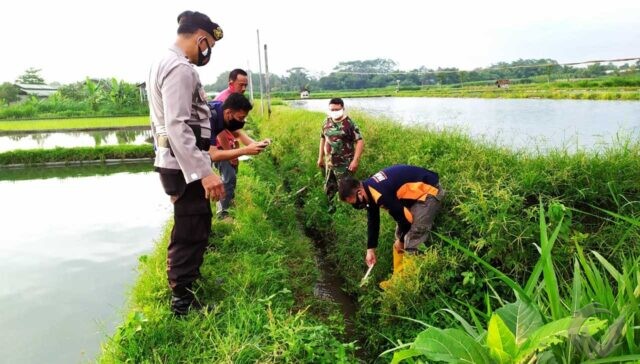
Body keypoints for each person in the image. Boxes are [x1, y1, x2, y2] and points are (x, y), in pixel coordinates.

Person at [148, 10, 225, 315]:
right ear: (201, 38)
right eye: (207, 47)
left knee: (194, 223)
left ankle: (188, 283)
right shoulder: (179, 68)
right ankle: (183, 302)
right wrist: (204, 173)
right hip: (184, 166)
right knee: (190, 229)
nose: (205, 53)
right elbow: (178, 124)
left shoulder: (162, 63)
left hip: (177, 162)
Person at [338, 165, 445, 289]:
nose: (356, 205)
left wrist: (401, 241)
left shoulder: (380, 193)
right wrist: (370, 249)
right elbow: (373, 219)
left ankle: (407, 286)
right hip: (413, 195)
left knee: (412, 236)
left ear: (359, 192)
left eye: (354, 202)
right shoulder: (368, 189)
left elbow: (406, 220)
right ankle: (397, 279)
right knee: (400, 237)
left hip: (429, 192)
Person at [208, 93, 271, 186]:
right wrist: (245, 150)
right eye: (241, 118)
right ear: (228, 112)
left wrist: (257, 144)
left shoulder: (221, 111)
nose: (242, 122)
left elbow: (238, 133)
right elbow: (213, 155)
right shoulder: (210, 118)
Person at [212, 69, 249, 219]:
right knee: (227, 178)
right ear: (231, 83)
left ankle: (229, 202)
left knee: (232, 177)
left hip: (230, 145)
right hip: (221, 147)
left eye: (246, 85)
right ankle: (222, 212)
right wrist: (230, 154)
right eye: (241, 85)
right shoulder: (223, 101)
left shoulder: (236, 99)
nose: (244, 88)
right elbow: (220, 133)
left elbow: (236, 131)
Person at [317, 98, 364, 212]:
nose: (334, 111)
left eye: (337, 109)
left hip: (345, 164)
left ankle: (346, 212)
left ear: (343, 108)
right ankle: (332, 208)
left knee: (345, 189)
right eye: (332, 109)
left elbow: (360, 141)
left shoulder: (349, 124)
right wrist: (320, 158)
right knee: (329, 187)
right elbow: (323, 139)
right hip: (330, 163)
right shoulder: (326, 122)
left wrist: (355, 161)